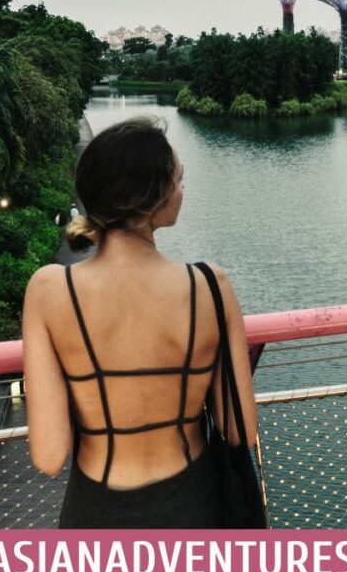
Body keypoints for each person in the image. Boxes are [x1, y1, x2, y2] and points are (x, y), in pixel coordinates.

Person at [22, 117, 257, 529]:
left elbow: (49, 455)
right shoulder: (210, 287)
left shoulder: (50, 291)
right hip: (194, 505)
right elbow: (239, 430)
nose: (182, 189)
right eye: (178, 179)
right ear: (153, 199)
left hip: (96, 512)